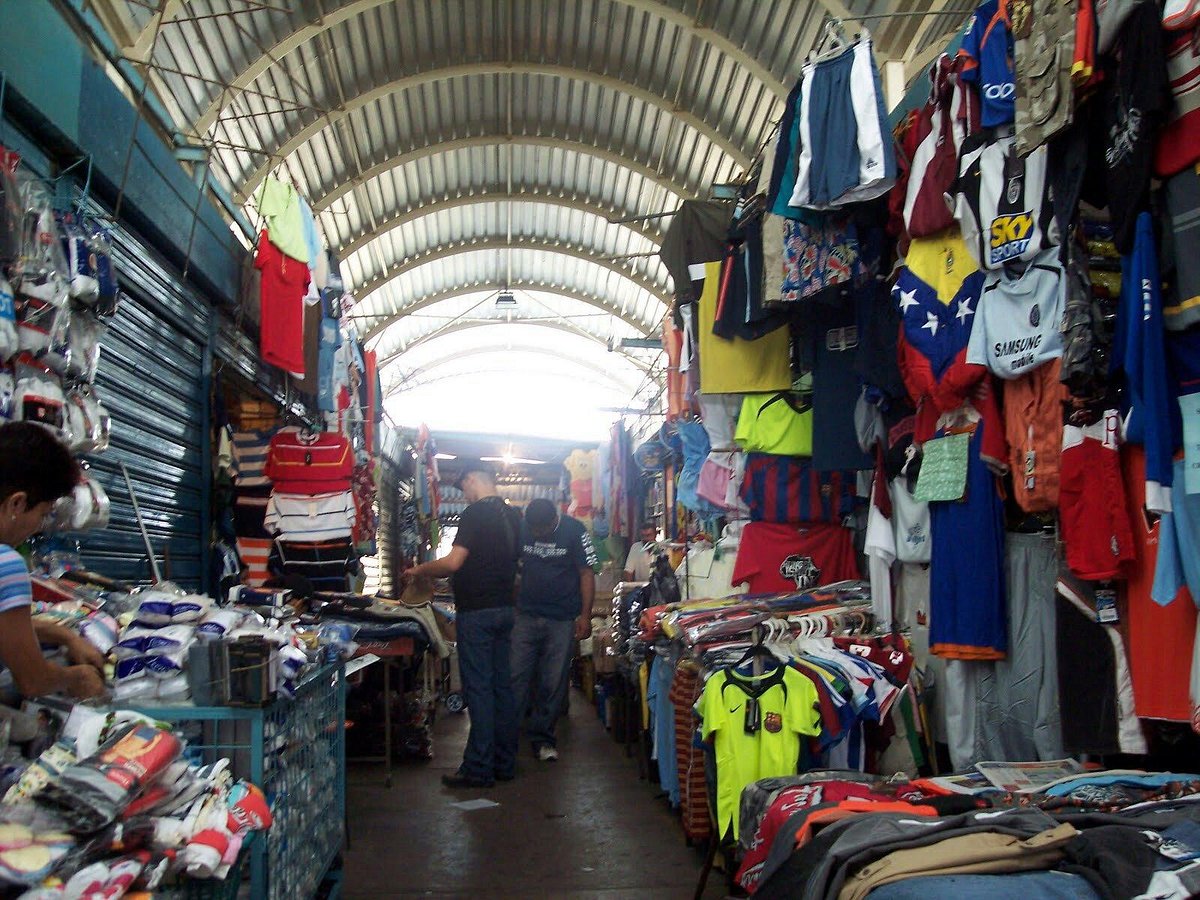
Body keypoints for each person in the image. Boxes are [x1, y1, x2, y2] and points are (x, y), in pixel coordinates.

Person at [406, 458, 521, 788]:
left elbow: (455, 561)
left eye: (464, 487)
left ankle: (478, 768)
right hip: (504, 611)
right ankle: (504, 763)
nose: (465, 495)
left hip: (478, 613)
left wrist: (420, 570)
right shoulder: (514, 516)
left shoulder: (476, 513)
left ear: (473, 479)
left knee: (479, 689)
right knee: (502, 688)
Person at [0, 423, 106, 701]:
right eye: (43, 513)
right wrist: (77, 677)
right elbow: (33, 681)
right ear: (17, 505)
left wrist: (65, 636)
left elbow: (9, 628)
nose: (39, 526)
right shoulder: (5, 564)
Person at [510, 498, 597, 762]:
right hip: (524, 616)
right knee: (515, 677)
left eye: (541, 530)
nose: (536, 534)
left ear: (553, 520)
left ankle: (544, 739)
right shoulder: (521, 527)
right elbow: (510, 565)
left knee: (553, 681)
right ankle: (507, 739)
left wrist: (585, 615)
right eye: (532, 530)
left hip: (561, 619)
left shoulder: (575, 531)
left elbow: (586, 574)